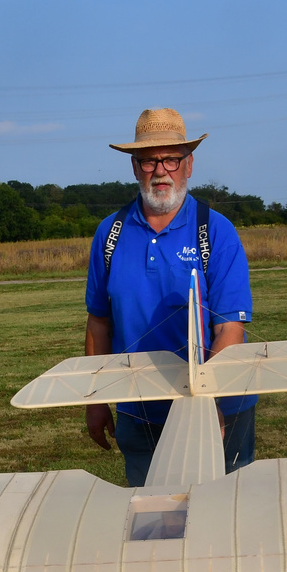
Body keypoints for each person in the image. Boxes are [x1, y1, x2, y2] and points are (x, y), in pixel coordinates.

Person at [83, 108, 256, 487]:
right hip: (139, 409)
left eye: (171, 159)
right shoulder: (109, 234)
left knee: (224, 518)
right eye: (149, 161)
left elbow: (229, 329)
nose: (160, 171)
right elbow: (99, 321)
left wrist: (213, 404)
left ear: (189, 164)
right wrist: (94, 400)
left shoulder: (216, 232)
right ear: (134, 167)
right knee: (150, 524)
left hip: (217, 410)